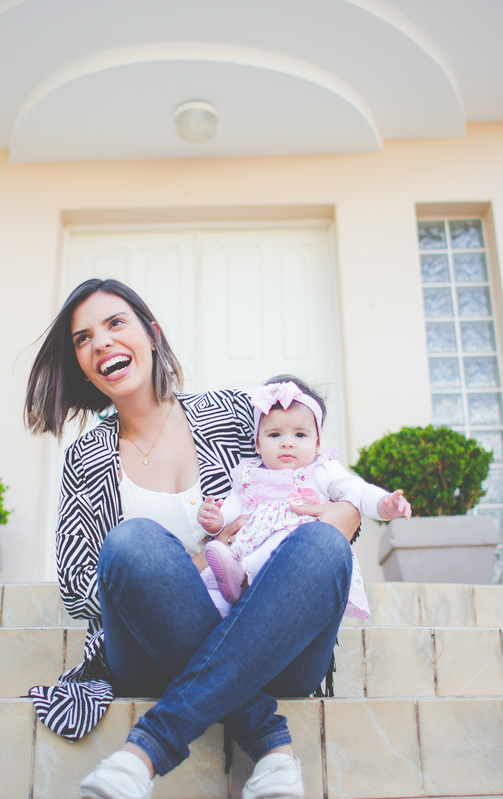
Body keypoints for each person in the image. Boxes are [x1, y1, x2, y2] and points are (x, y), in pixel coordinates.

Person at [23, 278, 363, 799]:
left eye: (115, 323)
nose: (101, 342)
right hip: (151, 652)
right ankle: (269, 743)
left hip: (275, 643)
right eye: (83, 338)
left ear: (152, 334)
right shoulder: (86, 457)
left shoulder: (233, 411)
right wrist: (198, 565)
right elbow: (77, 588)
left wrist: (348, 511)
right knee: (133, 542)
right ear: (82, 365)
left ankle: (144, 753)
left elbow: (312, 468)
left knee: (324, 547)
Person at [198, 377, 411, 619]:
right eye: (275, 435)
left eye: (300, 435)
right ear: (257, 443)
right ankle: (219, 609)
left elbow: (358, 492)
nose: (287, 443)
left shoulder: (321, 469)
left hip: (293, 558)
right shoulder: (248, 475)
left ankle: (243, 573)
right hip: (244, 548)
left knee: (287, 536)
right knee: (216, 586)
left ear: (317, 442)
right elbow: (231, 509)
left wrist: (384, 504)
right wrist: (214, 519)